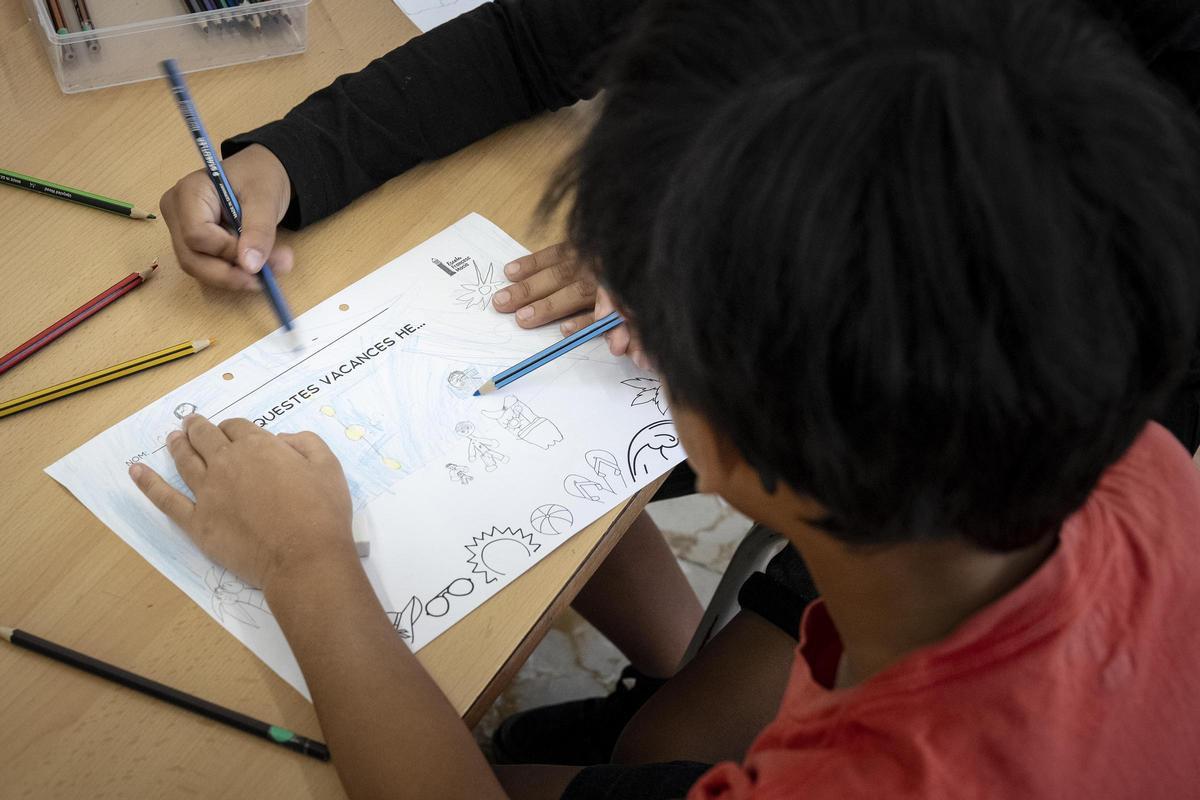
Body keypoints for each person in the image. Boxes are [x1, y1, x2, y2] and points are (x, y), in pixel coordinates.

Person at [136, 0, 1200, 797]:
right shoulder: (1138, 459)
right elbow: (539, 35)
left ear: (733, 442)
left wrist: (306, 562)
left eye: (652, 301)